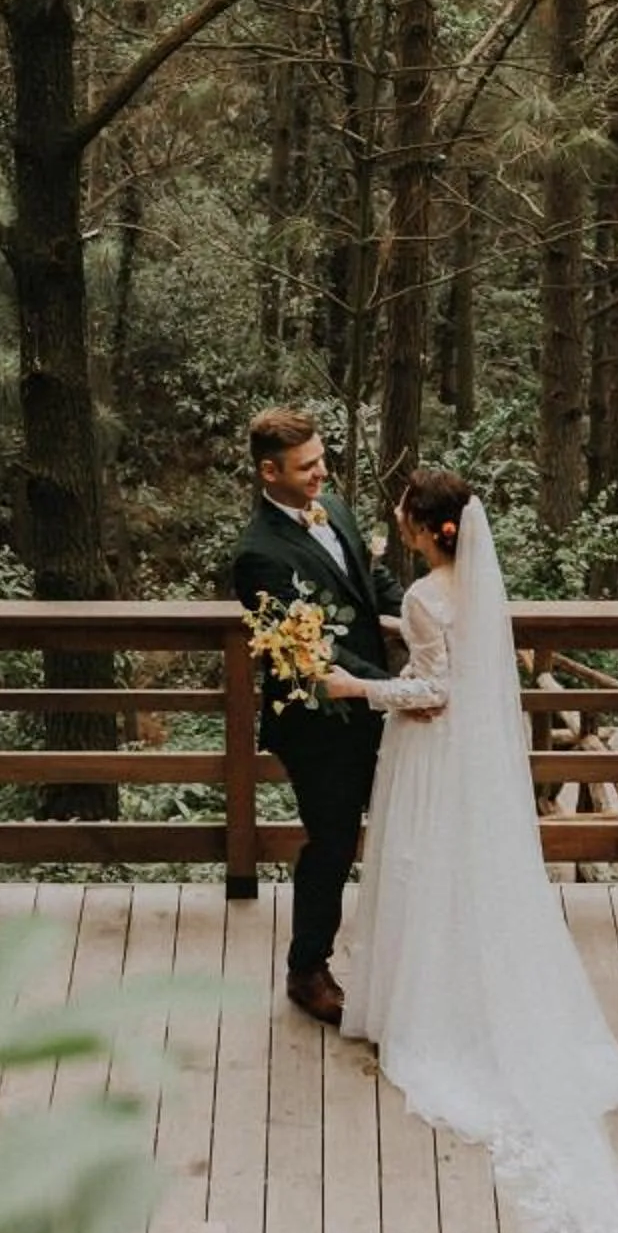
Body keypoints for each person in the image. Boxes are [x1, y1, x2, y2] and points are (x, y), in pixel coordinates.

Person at [325, 469, 618, 1233]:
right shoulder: (475, 590)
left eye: (406, 511)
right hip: (478, 761)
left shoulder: (423, 597)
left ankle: (430, 1006)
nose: (396, 518)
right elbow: (462, 671)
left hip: (432, 753)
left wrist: (355, 686)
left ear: (431, 527)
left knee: (420, 867)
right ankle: (472, 983)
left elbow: (433, 693)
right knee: (468, 875)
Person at [228, 407, 421, 1027]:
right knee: (334, 842)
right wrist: (392, 687)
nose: (321, 472)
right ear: (269, 470)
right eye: (307, 466)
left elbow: (370, 577)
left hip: (375, 703)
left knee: (403, 828)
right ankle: (306, 968)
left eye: (321, 460)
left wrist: (421, 622)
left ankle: (408, 962)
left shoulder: (332, 506)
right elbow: (308, 648)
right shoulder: (256, 556)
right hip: (320, 726)